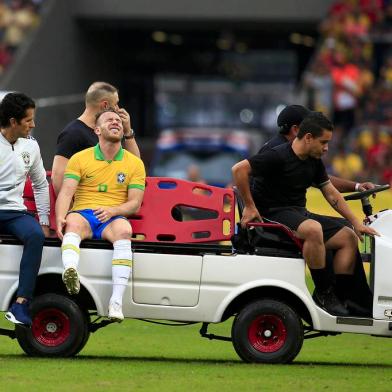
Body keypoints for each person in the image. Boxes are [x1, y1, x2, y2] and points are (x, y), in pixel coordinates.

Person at [232, 112, 379, 317]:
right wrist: (249, 206)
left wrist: (356, 223)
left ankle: (344, 298)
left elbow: (331, 193)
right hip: (271, 216)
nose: (327, 148)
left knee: (348, 236)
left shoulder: (313, 160)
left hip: (297, 213)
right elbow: (239, 170)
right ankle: (324, 294)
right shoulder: (277, 155)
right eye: (324, 142)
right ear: (308, 137)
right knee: (313, 229)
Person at [55, 108, 145, 322]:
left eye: (118, 121)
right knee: (73, 222)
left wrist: (113, 211)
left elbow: (135, 204)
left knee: (125, 230)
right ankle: (70, 271)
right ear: (97, 129)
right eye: (109, 120)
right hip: (84, 214)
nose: (115, 122)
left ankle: (116, 302)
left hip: (113, 217)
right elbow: (67, 192)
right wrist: (60, 217)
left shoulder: (134, 163)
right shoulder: (79, 158)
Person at [0, 92, 50, 326]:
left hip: (14, 212)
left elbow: (41, 185)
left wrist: (44, 220)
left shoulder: (31, 146)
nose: (33, 124)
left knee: (35, 236)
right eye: (28, 120)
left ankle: (20, 304)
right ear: (13, 122)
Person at [51, 81, 141, 195]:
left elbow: (136, 166)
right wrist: (71, 209)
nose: (118, 109)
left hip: (113, 202)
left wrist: (128, 131)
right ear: (105, 105)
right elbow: (57, 177)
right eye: (116, 104)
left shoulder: (107, 131)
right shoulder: (72, 134)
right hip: (86, 206)